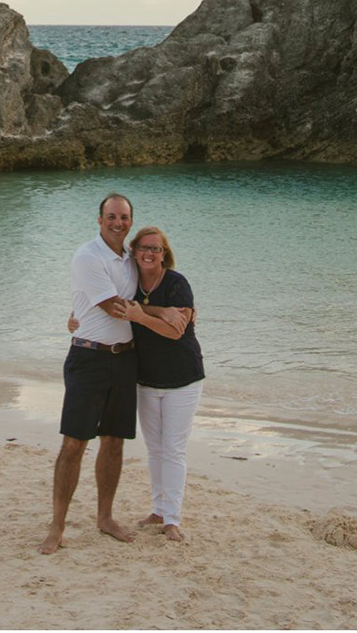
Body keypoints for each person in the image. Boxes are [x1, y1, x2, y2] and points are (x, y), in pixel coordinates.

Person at [40, 192, 143, 555]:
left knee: (114, 441)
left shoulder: (132, 258)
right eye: (111, 216)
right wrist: (161, 314)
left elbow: (150, 285)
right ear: (99, 220)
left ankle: (105, 517)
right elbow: (115, 308)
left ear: (131, 221)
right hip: (89, 358)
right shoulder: (87, 255)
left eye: (124, 217)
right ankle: (57, 525)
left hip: (125, 360)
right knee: (74, 444)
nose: (118, 223)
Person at [126, 226, 204, 540]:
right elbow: (110, 305)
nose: (149, 253)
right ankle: (158, 511)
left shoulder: (176, 283)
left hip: (183, 379)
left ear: (164, 254)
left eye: (156, 249)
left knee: (173, 450)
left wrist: (141, 317)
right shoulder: (128, 283)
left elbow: (176, 331)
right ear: (133, 250)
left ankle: (173, 519)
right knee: (155, 449)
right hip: (145, 379)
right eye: (144, 247)